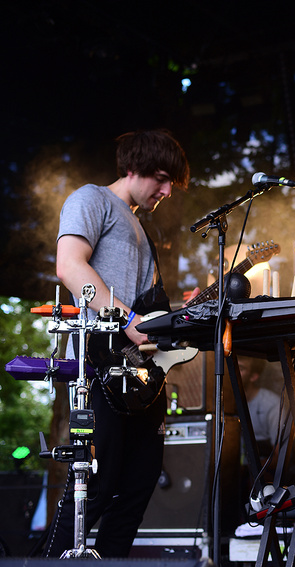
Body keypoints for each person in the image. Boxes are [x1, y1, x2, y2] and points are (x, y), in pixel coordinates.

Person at [44, 129, 190, 557]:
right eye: (160, 178)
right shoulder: (91, 199)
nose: (166, 191)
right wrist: (128, 320)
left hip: (140, 376)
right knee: (96, 484)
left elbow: (149, 312)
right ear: (132, 167)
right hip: (98, 364)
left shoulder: (141, 228)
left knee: (138, 485)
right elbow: (69, 265)